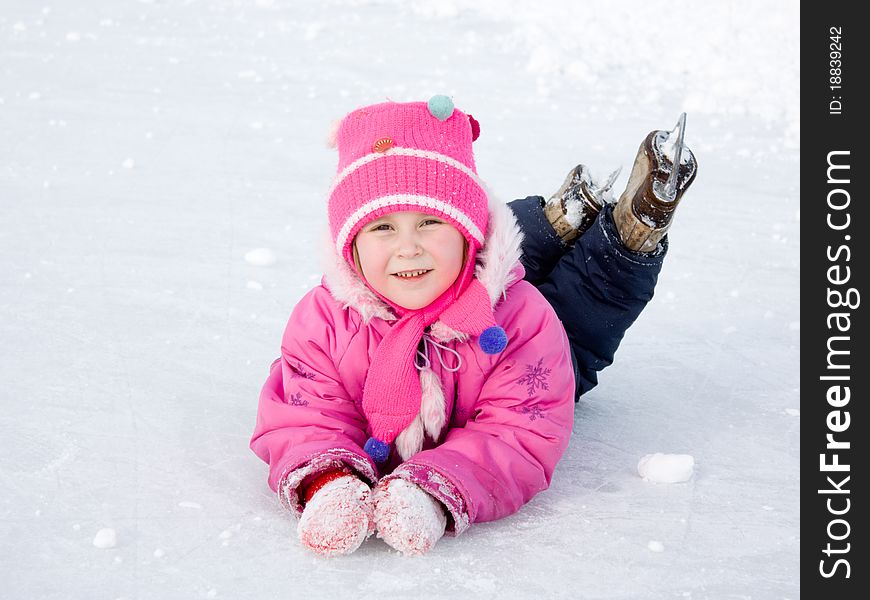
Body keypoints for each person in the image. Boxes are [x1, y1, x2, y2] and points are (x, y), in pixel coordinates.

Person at [250, 96, 696, 558]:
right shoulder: (325, 321)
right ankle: (557, 220)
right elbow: (304, 414)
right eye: (382, 228)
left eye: (430, 222)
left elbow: (517, 431)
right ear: (351, 245)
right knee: (450, 266)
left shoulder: (527, 322)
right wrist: (330, 480)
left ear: (469, 231)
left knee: (585, 308)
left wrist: (435, 487)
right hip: (468, 298)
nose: (407, 247)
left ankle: (628, 236)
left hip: (515, 343)